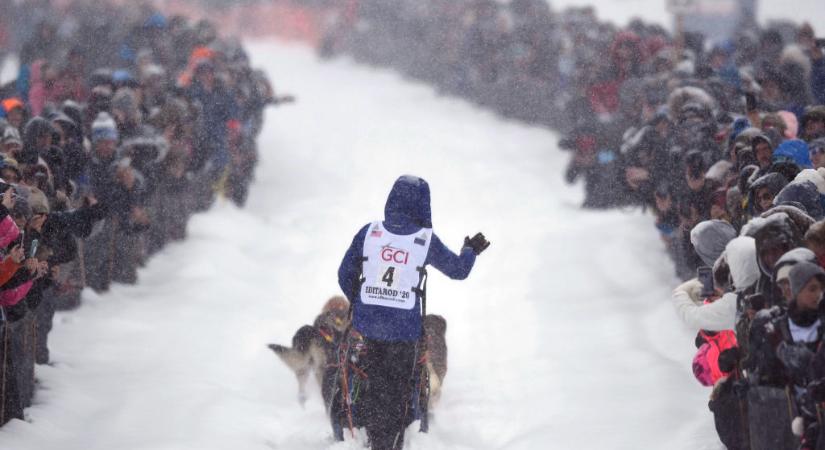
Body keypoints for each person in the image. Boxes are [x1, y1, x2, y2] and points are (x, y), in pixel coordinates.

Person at [337, 175, 489, 450]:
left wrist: (360, 304)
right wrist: (470, 251)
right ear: (423, 205)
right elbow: (458, 270)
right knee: (397, 391)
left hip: (368, 326)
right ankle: (390, 441)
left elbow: (344, 273)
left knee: (372, 382)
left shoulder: (369, 232)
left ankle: (369, 435)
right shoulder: (424, 240)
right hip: (403, 332)